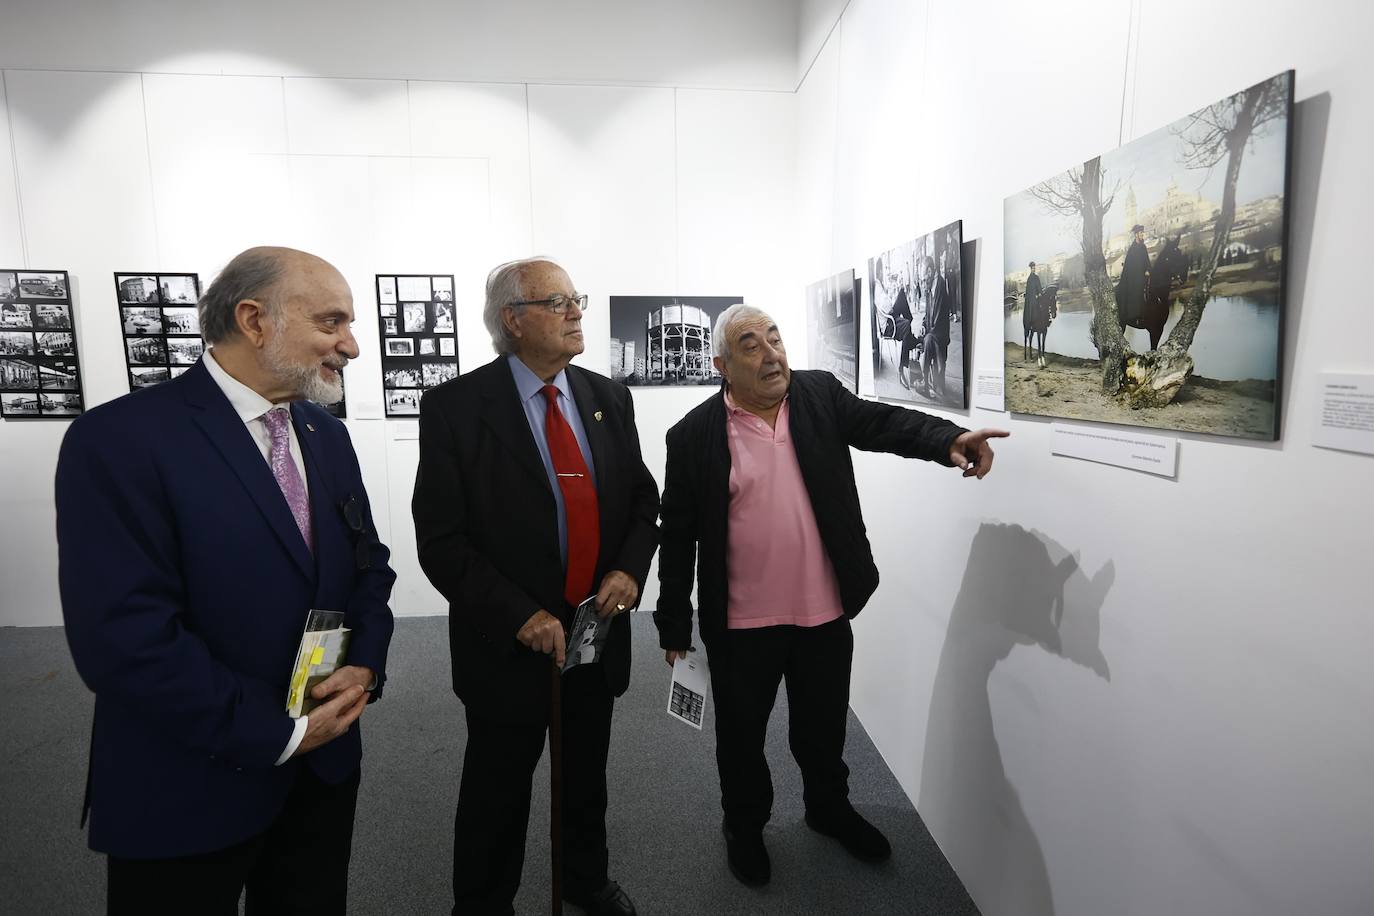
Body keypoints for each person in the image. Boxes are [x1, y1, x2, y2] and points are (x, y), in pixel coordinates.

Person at [55, 246, 396, 915]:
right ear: (253, 319)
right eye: (332, 322)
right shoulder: (121, 440)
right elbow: (123, 637)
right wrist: (278, 732)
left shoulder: (325, 435)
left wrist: (365, 668)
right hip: (188, 780)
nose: (351, 345)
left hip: (323, 769)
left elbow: (368, 568)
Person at [654, 303, 1008, 888]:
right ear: (721, 364)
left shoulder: (816, 396)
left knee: (822, 728)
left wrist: (949, 439)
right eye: (751, 345)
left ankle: (828, 808)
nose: (771, 355)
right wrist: (674, 627)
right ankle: (744, 824)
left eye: (775, 338)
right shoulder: (693, 436)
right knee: (741, 737)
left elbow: (883, 423)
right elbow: (678, 535)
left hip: (822, 611)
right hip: (742, 623)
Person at [413, 257, 660, 916]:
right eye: (559, 301)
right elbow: (442, 542)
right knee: (498, 786)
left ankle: (585, 878)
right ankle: (485, 903)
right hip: (509, 643)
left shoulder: (609, 398)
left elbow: (641, 501)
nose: (577, 310)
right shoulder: (455, 409)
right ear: (513, 321)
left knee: (585, 777)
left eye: (575, 298)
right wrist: (518, 614)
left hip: (594, 633)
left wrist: (629, 570)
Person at [919, 254, 951, 399]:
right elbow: (928, 315)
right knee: (926, 338)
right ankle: (927, 382)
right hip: (934, 332)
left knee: (927, 341)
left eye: (924, 278)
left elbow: (937, 321)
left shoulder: (939, 286)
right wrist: (923, 325)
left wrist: (927, 333)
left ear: (930, 272)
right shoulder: (930, 286)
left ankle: (925, 382)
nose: (923, 283)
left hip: (940, 335)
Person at [1115, 224, 1150, 326]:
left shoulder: (1143, 247)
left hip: (1144, 275)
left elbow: (1147, 261)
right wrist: (1139, 274)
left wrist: (1148, 269)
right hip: (1134, 279)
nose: (1142, 234)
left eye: (1143, 233)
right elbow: (1129, 267)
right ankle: (1136, 315)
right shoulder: (1132, 249)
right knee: (1138, 290)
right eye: (1140, 233)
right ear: (1136, 235)